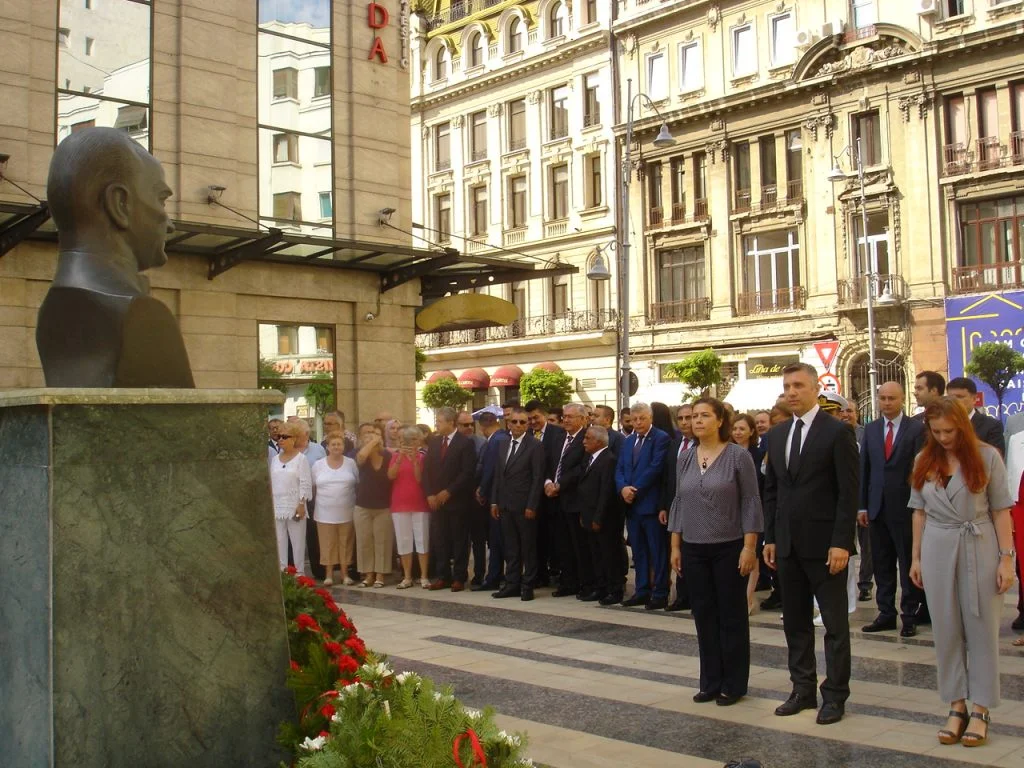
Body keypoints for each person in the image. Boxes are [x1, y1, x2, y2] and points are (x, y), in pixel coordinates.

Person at [36, 127, 195, 388]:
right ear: (120, 204)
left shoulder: (53, 311)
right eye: (161, 200)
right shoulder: (141, 315)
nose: (170, 225)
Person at [909, 397, 1014, 747]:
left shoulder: (987, 457)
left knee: (982, 629)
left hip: (979, 545)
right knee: (946, 629)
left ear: (963, 427)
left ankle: (981, 707)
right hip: (937, 546)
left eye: (949, 431)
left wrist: (1007, 559)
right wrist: (916, 558)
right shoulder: (924, 459)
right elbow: (918, 512)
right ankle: (956, 705)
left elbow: (1001, 510)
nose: (943, 438)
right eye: (936, 431)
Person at [763, 363, 858, 726]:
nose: (792, 392)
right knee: (795, 622)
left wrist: (841, 543)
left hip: (826, 546)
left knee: (834, 625)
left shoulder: (837, 432)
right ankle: (802, 689)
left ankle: (834, 695)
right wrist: (771, 537)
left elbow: (848, 493)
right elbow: (772, 491)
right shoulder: (777, 435)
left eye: (799, 385)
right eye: (787, 386)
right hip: (787, 545)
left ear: (816, 388)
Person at [669, 398, 763, 706]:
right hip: (693, 547)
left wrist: (749, 547)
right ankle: (709, 681)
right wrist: (675, 545)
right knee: (703, 614)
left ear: (720, 420)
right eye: (693, 416)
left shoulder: (737, 456)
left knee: (731, 616)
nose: (696, 421)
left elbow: (750, 502)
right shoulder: (686, 457)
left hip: (729, 546)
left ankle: (733, 683)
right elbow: (679, 501)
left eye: (704, 415)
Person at [859, 382, 925, 637]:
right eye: (883, 398)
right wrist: (862, 506)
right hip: (877, 508)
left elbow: (920, 469)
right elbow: (865, 468)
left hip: (906, 507)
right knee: (881, 563)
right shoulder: (871, 429)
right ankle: (885, 613)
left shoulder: (916, 429)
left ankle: (909, 614)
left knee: (907, 562)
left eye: (892, 398)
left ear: (902, 399)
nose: (886, 403)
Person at [615, 402, 671, 609]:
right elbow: (620, 468)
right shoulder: (629, 441)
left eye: (642, 419)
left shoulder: (660, 438)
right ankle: (642, 590)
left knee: (657, 551)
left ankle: (660, 592)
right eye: (634, 419)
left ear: (651, 418)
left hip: (650, 504)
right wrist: (623, 488)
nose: (638, 423)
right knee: (638, 552)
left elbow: (655, 468)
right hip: (631, 506)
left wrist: (634, 489)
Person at [491, 406, 546, 601]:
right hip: (505, 504)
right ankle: (512, 584)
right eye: (514, 421)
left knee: (528, 547)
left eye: (523, 422)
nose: (518, 425)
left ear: (527, 424)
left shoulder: (535, 445)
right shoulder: (503, 444)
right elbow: (499, 474)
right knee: (511, 547)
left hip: (524, 506)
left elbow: (538, 478)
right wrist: (494, 501)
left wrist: (532, 505)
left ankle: (528, 585)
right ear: (508, 423)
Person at [423, 406, 478, 591]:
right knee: (440, 539)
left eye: (439, 421)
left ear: (450, 422)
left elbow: (467, 472)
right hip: (437, 501)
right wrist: (430, 493)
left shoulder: (465, 443)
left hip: (457, 500)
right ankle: (443, 576)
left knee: (459, 539)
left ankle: (459, 577)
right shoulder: (434, 442)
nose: (436, 425)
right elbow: (426, 470)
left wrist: (449, 491)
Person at [574, 426, 626, 605]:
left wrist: (598, 517)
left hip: (605, 518)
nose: (584, 442)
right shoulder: (590, 458)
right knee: (596, 554)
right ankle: (601, 587)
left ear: (599, 441)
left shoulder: (608, 459)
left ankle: (615, 590)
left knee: (609, 554)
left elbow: (606, 491)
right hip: (589, 513)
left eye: (588, 438)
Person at [545, 403, 590, 598]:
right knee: (562, 544)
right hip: (555, 501)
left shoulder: (586, 438)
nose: (566, 420)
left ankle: (584, 582)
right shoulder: (558, 438)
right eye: (564, 416)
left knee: (579, 545)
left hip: (574, 500)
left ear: (582, 419)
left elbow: (582, 467)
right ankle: (568, 582)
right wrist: (548, 482)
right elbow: (549, 462)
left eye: (571, 417)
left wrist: (560, 484)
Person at [526, 399, 566, 588]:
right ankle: (538, 574)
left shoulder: (558, 434)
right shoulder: (526, 434)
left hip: (552, 495)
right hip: (532, 496)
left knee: (555, 537)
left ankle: (557, 572)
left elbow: (558, 462)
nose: (533, 422)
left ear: (544, 415)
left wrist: (550, 482)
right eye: (530, 419)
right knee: (535, 538)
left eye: (536, 417)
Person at [311, 432, 359, 586]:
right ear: (327, 447)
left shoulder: (351, 463)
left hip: (347, 510)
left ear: (344, 447)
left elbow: (357, 482)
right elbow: (313, 486)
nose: (336, 447)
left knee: (346, 543)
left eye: (339, 444)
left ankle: (345, 575)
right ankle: (329, 575)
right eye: (333, 444)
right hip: (324, 512)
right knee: (327, 544)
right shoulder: (318, 465)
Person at [731, 412, 766, 613]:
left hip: (754, 510)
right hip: (731, 512)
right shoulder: (726, 453)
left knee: (753, 554)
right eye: (735, 428)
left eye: (742, 429)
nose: (738, 432)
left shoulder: (759, 455)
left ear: (751, 431)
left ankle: (748, 598)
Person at [388, 425, 431, 589]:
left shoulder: (423, 457)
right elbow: (391, 475)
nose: (412, 443)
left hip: (419, 503)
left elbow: (420, 479)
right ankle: (407, 577)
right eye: (409, 439)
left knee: (422, 540)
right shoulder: (395, 456)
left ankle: (424, 576)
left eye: (415, 439)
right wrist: (400, 457)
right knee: (403, 540)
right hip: (400, 503)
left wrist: (414, 462)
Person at [658, 403, 689, 612]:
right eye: (681, 418)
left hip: (698, 508)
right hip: (674, 507)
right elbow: (666, 477)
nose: (685, 422)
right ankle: (682, 596)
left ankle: (693, 595)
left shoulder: (703, 444)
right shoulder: (675, 443)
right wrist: (663, 506)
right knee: (677, 551)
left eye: (689, 417)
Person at [354, 422, 393, 588]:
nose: (372, 439)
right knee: (364, 541)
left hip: (383, 506)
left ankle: (380, 575)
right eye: (367, 438)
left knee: (382, 541)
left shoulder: (388, 456)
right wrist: (371, 442)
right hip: (363, 505)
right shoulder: (361, 456)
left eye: (376, 436)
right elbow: (361, 457)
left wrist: (376, 441)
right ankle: (368, 574)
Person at [269, 422, 312, 573]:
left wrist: (301, 503)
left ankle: (299, 573)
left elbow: (305, 482)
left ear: (294, 438)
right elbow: (272, 482)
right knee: (280, 541)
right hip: (277, 505)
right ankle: (282, 573)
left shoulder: (301, 459)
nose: (280, 439)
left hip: (295, 505)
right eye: (279, 437)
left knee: (297, 542)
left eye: (285, 436)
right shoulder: (275, 459)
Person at [474, 411, 509, 591]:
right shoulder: (505, 437)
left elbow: (490, 470)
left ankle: (494, 577)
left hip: (496, 497)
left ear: (482, 427)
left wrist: (482, 490)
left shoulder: (494, 441)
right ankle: (501, 575)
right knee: (502, 539)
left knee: (496, 539)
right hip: (506, 497)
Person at [457, 410, 489, 586]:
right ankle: (459, 575)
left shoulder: (481, 442)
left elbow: (482, 468)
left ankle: (479, 574)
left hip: (476, 497)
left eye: (471, 424)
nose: (469, 427)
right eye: (465, 425)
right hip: (457, 497)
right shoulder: (452, 443)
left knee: (478, 539)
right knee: (460, 539)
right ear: (456, 425)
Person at [295, 421, 327, 580]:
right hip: (294, 497)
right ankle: (293, 569)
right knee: (295, 534)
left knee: (313, 534)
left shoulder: (318, 449)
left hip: (314, 497)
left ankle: (319, 570)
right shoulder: (289, 448)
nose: (294, 436)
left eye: (297, 433)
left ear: (306, 434)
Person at [947, 377, 1006, 456]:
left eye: (959, 397)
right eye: (950, 398)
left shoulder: (991, 426)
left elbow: (995, 458)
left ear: (974, 399)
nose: (954, 401)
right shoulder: (941, 425)